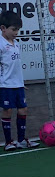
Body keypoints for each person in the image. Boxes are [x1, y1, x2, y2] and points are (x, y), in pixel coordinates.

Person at [0, 11, 39, 150]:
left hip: (18, 85)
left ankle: (21, 140)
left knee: (23, 109)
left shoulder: (15, 44)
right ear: (3, 28)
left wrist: (21, 82)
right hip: (5, 85)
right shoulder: (1, 44)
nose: (16, 32)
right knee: (8, 110)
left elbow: (15, 67)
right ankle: (9, 142)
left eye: (18, 30)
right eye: (13, 29)